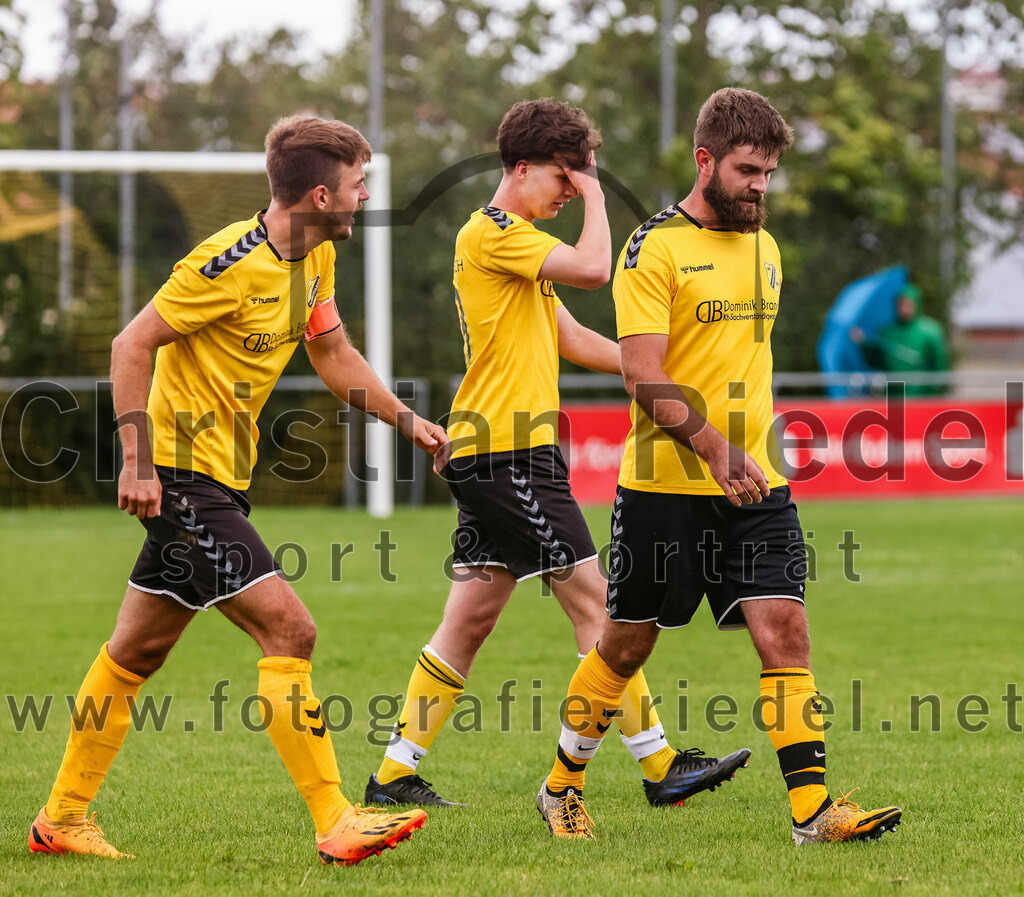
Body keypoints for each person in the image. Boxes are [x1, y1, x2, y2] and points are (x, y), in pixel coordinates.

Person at [28, 115, 450, 866]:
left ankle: (61, 816)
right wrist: (137, 461)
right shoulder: (225, 261)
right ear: (321, 192)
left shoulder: (315, 260)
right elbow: (132, 344)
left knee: (135, 652)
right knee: (292, 632)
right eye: (358, 186)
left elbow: (333, 352)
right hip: (183, 479)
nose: (362, 199)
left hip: (222, 479)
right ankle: (335, 818)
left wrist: (406, 419)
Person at [537, 88, 903, 844]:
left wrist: (746, 454)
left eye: (769, 171)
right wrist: (712, 445)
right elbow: (642, 371)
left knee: (785, 630)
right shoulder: (653, 248)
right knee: (626, 642)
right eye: (747, 169)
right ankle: (561, 783)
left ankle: (812, 812)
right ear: (705, 161)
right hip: (663, 488)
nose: (761, 185)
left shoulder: (766, 248)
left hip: (757, 484)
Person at [365, 98, 749, 820]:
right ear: (519, 168)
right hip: (507, 454)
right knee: (598, 606)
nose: (570, 192)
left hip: (497, 451)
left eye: (577, 184)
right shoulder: (495, 232)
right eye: (562, 179)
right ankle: (660, 762)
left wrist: (652, 375)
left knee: (469, 618)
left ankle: (393, 773)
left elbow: (571, 335)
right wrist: (600, 193)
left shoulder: (518, 245)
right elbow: (596, 267)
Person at [851, 283, 949, 395]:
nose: (903, 308)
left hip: (922, 397)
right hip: (894, 398)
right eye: (900, 304)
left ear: (916, 304)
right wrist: (863, 343)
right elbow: (875, 360)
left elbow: (940, 365)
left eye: (907, 304)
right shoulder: (887, 331)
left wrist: (935, 392)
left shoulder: (930, 331)